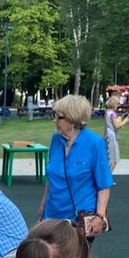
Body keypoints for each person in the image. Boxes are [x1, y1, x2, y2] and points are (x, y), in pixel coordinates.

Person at [39, 95, 113, 237]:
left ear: (72, 120)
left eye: (58, 117)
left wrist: (99, 216)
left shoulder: (94, 143)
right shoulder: (56, 139)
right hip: (52, 216)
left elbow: (104, 184)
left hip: (78, 220)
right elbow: (52, 177)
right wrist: (42, 206)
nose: (54, 120)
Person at [104, 94, 129, 171]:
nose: (118, 105)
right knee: (114, 159)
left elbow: (112, 123)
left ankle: (106, 177)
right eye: (117, 103)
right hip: (112, 136)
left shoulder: (107, 112)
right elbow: (116, 126)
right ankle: (107, 178)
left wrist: (121, 118)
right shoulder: (112, 113)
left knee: (108, 157)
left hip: (107, 134)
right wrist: (125, 121)